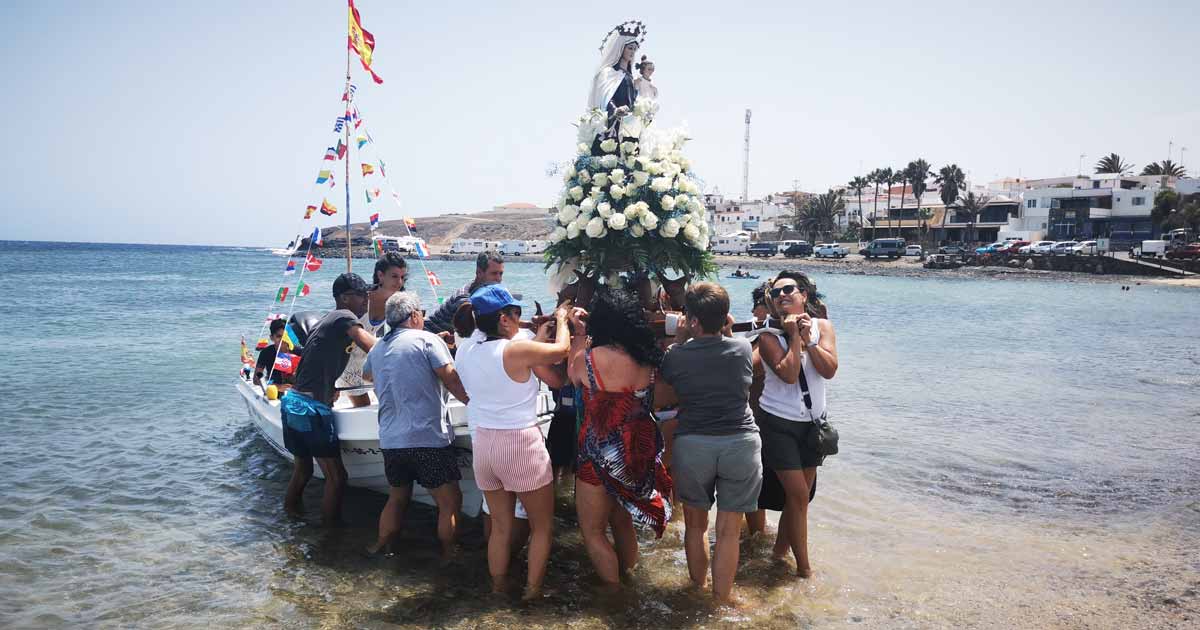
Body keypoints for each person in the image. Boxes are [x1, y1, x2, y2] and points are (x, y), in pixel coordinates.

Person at [453, 285, 571, 600]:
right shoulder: (517, 350)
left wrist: (535, 336)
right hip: (520, 444)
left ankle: (497, 586)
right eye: (516, 314)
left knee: (501, 527)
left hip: (486, 446)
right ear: (504, 319)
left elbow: (511, 356)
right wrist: (561, 319)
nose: (519, 320)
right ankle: (532, 591)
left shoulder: (466, 348)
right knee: (542, 526)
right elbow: (560, 353)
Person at [659, 282, 761, 605]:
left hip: (694, 443)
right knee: (730, 530)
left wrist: (677, 340)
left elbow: (661, 396)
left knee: (695, 524)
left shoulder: (676, 356)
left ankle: (699, 590)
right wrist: (728, 332)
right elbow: (736, 361)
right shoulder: (743, 349)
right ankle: (719, 601)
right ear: (724, 316)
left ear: (692, 320)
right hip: (740, 441)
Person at [567, 288, 672, 588]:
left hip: (597, 453)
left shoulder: (590, 358)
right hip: (636, 452)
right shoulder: (647, 359)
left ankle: (616, 594)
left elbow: (573, 376)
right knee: (622, 520)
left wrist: (578, 334)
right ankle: (629, 576)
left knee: (593, 532)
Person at [362, 291, 469, 560]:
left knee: (397, 497)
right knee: (450, 502)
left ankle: (382, 545)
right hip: (427, 438)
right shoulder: (427, 340)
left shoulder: (378, 347)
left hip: (391, 441)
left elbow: (366, 374)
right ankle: (448, 552)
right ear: (415, 316)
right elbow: (452, 379)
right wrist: (474, 403)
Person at [756, 271, 838, 578]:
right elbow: (789, 375)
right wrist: (792, 338)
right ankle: (804, 570)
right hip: (778, 424)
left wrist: (810, 342)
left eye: (788, 290)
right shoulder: (767, 337)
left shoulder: (824, 327)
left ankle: (778, 555)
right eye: (776, 294)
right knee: (799, 496)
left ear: (804, 294)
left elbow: (829, 370)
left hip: (813, 425)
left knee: (798, 500)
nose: (781, 296)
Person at [280, 273, 378, 525]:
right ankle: (330, 536)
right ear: (345, 298)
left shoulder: (325, 321)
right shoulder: (345, 317)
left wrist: (331, 385)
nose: (366, 300)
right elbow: (372, 347)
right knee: (337, 478)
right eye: (362, 295)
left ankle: (290, 518)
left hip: (293, 403)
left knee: (303, 469)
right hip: (311, 409)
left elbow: (316, 361)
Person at [337, 252, 408, 407]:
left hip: (368, 359)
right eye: (395, 276)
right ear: (380, 276)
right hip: (344, 360)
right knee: (364, 407)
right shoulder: (362, 299)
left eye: (402, 277)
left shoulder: (395, 302)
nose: (400, 282)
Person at [424, 251, 504, 335]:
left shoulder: (486, 294)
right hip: (430, 337)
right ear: (479, 272)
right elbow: (478, 330)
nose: (499, 279)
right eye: (494, 273)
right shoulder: (465, 298)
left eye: (501, 274)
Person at [254, 318, 293, 387]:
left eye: (285, 336)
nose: (282, 340)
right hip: (273, 388)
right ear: (272, 338)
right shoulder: (266, 353)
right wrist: (277, 386)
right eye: (279, 336)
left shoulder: (297, 351)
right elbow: (256, 379)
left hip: (295, 390)